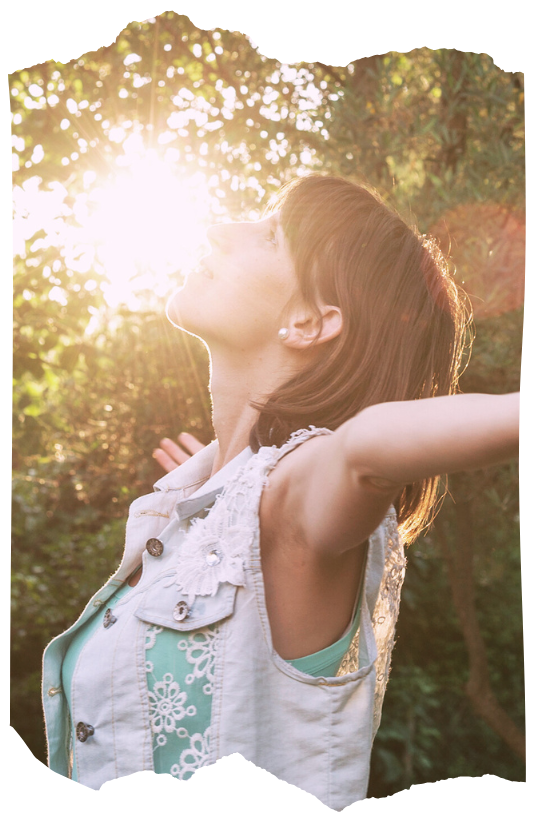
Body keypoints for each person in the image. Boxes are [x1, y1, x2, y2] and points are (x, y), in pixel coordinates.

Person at [41, 173, 531, 807]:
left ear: (308, 322)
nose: (219, 229)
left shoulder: (291, 496)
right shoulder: (199, 512)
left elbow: (361, 451)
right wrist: (221, 501)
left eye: (271, 234)